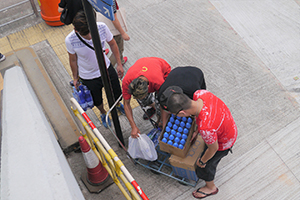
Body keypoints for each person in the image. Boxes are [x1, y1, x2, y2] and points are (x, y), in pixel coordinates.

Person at [162, 86, 237, 199]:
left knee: (206, 167)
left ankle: (211, 188)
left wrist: (202, 161)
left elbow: (213, 148)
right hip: (228, 125)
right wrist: (197, 129)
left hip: (224, 141)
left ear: (182, 113)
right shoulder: (200, 94)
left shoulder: (206, 127)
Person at [65, 11, 125, 128]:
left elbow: (112, 44)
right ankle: (103, 113)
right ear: (76, 30)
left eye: (91, 32)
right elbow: (72, 60)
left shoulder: (101, 27)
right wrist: (75, 77)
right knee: (97, 99)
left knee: (116, 92)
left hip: (107, 68)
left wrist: (119, 64)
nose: (90, 37)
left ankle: (117, 104)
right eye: (85, 35)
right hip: (88, 76)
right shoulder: (70, 40)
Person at [122, 57, 171, 138]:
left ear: (149, 87)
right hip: (144, 64)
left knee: (160, 104)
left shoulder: (158, 81)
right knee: (144, 101)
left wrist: (162, 121)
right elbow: (126, 104)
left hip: (162, 68)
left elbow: (163, 103)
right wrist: (133, 126)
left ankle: (158, 117)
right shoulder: (127, 82)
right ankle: (153, 106)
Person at [107, 0, 130, 66]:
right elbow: (114, 19)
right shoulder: (110, 1)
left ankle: (121, 60)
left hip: (103, 24)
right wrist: (123, 33)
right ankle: (108, 69)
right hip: (112, 28)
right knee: (118, 49)